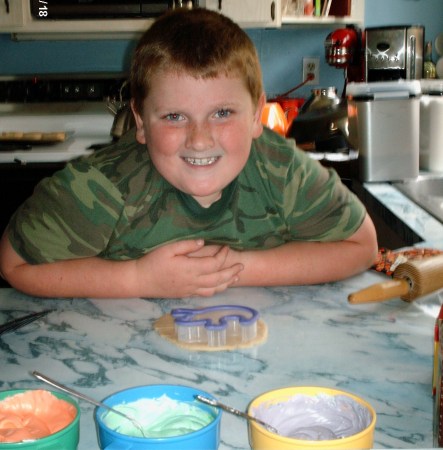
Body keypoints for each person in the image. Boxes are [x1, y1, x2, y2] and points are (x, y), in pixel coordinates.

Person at [0, 7, 378, 299]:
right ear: (141, 123)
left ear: (256, 115)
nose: (200, 140)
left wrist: (233, 269)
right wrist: (138, 279)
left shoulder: (281, 171)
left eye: (223, 113)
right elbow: (14, 264)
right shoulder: (103, 187)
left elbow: (362, 246)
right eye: (175, 116)